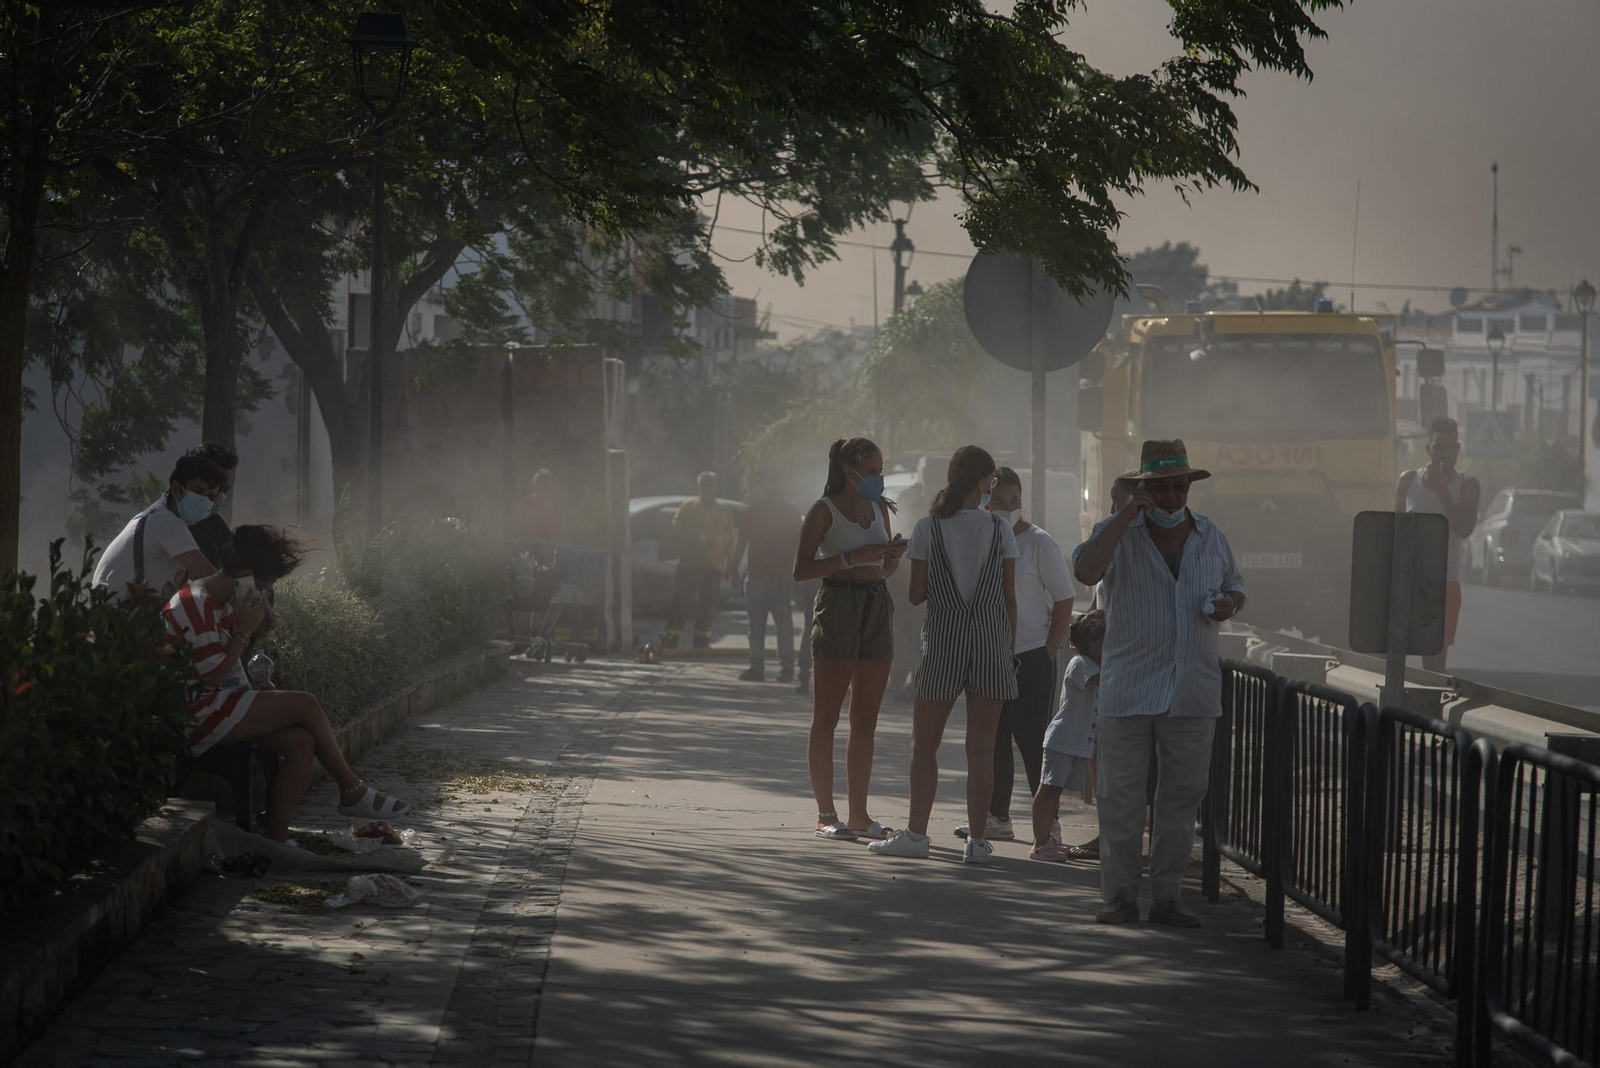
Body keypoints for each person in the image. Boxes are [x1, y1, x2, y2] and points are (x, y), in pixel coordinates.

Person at [1072, 439, 1244, 926]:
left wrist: (1230, 604)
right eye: (1161, 487)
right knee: (1121, 801)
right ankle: (1120, 898)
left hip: (1192, 690)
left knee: (1180, 802)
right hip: (1128, 690)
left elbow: (1235, 587)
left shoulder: (1210, 535)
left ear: (1189, 486)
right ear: (1144, 488)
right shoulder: (1118, 534)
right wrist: (1125, 515)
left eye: (1179, 486)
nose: (1172, 496)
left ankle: (1168, 899)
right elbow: (1086, 568)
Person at [162, 525, 410, 842]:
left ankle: (276, 839)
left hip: (221, 702)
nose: (265, 589)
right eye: (264, 583)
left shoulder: (224, 600)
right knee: (304, 703)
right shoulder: (194, 603)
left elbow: (254, 637)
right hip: (195, 714)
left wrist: (259, 617)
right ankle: (352, 789)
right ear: (246, 573)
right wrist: (241, 632)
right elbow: (212, 676)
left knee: (301, 742)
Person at [870, 445, 1019, 865]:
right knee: (981, 748)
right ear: (978, 482)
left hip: (943, 640)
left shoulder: (927, 527)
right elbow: (1009, 598)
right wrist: (1007, 649)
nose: (992, 488)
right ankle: (976, 842)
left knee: (925, 745)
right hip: (991, 641)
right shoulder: (1000, 529)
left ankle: (917, 834)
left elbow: (916, 595)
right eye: (990, 481)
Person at [794, 437, 905, 841]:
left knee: (866, 719)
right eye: (873, 471)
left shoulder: (879, 508)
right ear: (849, 470)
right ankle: (827, 814)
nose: (879, 479)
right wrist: (851, 559)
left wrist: (891, 559)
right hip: (839, 606)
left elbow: (884, 571)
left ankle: (859, 813)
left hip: (876, 606)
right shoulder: (823, 511)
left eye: (880, 471)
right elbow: (801, 569)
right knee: (827, 716)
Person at [955, 467, 1074, 842]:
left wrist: (1052, 646)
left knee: (1033, 739)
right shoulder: (978, 538)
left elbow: (1064, 597)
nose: (1008, 507)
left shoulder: (1039, 542)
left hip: (1031, 655)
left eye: (1015, 500)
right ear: (985, 502)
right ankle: (997, 817)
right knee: (992, 739)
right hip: (988, 655)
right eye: (1000, 501)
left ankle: (1049, 822)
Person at [1395, 417, 1480, 672]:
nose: (1445, 454)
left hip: (1445, 581)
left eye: (1450, 447)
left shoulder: (1468, 485)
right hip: (1411, 580)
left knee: (1434, 660)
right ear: (1429, 449)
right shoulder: (1408, 481)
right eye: (1439, 447)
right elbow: (1398, 532)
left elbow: (1465, 529)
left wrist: (1443, 490)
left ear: (1458, 449)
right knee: (1396, 652)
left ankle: (1429, 708)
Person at [92, 454, 223, 603]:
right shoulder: (167, 523)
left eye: (211, 498)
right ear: (176, 489)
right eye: (199, 492)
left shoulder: (156, 515)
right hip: (119, 617)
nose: (204, 501)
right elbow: (214, 584)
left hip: (111, 613)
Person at [1030, 609, 1104, 862]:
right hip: (1064, 738)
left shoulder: (1092, 663)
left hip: (1076, 743)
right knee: (1048, 790)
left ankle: (1045, 840)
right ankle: (1040, 844)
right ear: (1093, 642)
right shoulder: (1082, 664)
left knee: (1055, 792)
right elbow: (1100, 680)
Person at [732, 481, 802, 683]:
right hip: (767, 578)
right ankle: (780, 669)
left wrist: (733, 567)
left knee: (764, 625)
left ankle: (764, 667)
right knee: (780, 625)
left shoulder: (760, 511)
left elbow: (800, 542)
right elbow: (742, 541)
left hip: (768, 579)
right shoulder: (781, 511)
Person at [663, 472, 736, 650]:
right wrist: (689, 540)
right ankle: (672, 637)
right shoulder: (688, 507)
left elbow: (729, 539)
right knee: (680, 601)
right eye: (704, 485)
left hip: (713, 564)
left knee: (708, 604)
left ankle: (701, 639)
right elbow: (676, 529)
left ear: (715, 487)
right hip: (689, 563)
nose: (707, 489)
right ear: (699, 487)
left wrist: (731, 564)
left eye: (710, 485)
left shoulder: (724, 511)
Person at [889, 455, 933, 697]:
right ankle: (907, 683)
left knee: (910, 642)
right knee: (910, 642)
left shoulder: (918, 530)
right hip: (906, 597)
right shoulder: (916, 530)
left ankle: (908, 683)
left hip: (913, 597)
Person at [184, 442, 239, 567]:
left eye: (224, 490)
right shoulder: (172, 523)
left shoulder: (213, 521)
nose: (218, 495)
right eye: (214, 486)